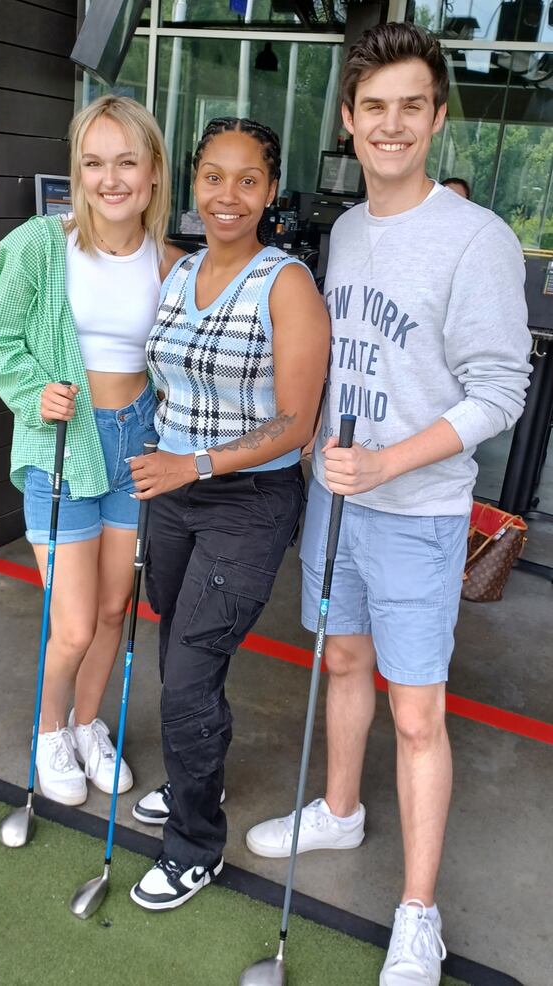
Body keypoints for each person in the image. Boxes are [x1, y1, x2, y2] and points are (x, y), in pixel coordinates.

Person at [245, 23, 531, 986]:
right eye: (376, 108)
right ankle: (339, 810)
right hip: (336, 500)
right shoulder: (348, 231)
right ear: (350, 123)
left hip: (418, 514)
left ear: (438, 118)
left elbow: (500, 390)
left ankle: (419, 913)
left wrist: (392, 463)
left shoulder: (478, 239)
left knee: (418, 715)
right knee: (344, 663)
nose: (393, 124)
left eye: (413, 105)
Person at [127, 117, 330, 910]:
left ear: (271, 191)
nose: (229, 196)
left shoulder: (288, 284)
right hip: (172, 495)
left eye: (248, 180)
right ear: (193, 181)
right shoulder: (176, 273)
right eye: (214, 176)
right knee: (177, 650)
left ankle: (193, 846)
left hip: (247, 500)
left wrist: (197, 462)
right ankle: (193, 785)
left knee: (190, 671)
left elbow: (296, 424)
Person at [0, 95, 183, 807]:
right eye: (94, 162)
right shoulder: (40, 244)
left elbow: (179, 364)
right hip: (62, 441)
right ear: (78, 171)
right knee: (70, 621)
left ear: (154, 172)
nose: (111, 178)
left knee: (110, 610)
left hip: (136, 440)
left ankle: (89, 724)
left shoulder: (172, 264)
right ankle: (49, 731)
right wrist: (36, 390)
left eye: (127, 161)